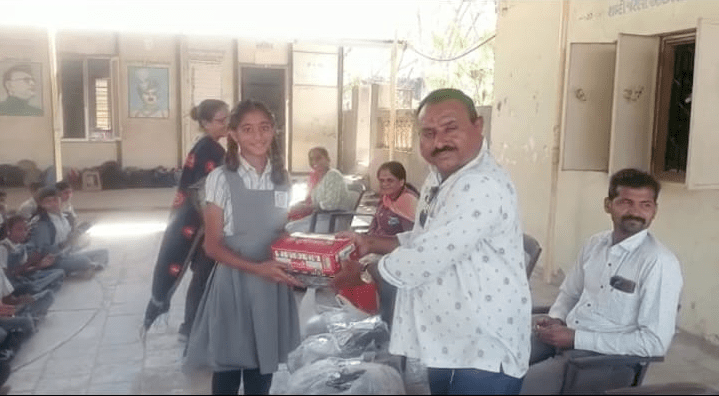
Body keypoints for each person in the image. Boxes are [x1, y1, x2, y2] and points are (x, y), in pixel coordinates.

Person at [331, 88, 531, 394]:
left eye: (450, 128)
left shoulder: (480, 184)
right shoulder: (440, 177)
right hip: (450, 341)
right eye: (428, 133)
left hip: (484, 348)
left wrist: (360, 272)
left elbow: (425, 257)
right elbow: (424, 238)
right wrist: (369, 243)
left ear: (478, 126)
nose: (439, 142)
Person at [520, 168, 684, 394]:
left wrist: (577, 339)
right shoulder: (595, 244)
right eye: (626, 202)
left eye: (645, 204)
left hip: (604, 361)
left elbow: (654, 343)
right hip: (565, 339)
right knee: (492, 365)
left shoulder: (659, 263)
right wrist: (556, 318)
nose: (635, 212)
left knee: (514, 387)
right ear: (608, 204)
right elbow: (570, 293)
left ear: (654, 210)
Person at [185, 99, 303, 395]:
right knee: (228, 368)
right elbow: (212, 246)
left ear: (274, 130)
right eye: (248, 129)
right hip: (236, 284)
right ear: (234, 135)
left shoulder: (281, 179)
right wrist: (257, 268)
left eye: (264, 128)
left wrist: (304, 254)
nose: (258, 136)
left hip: (271, 285)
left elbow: (277, 230)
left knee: (262, 369)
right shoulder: (221, 179)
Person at [143, 99, 229, 339]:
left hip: (196, 226)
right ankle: (193, 330)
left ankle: (192, 328)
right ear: (205, 123)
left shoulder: (205, 145)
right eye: (221, 121)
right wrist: (213, 232)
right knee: (204, 277)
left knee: (204, 278)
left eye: (227, 119)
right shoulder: (210, 150)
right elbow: (204, 195)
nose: (226, 124)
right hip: (201, 227)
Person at [28, 187, 108, 276]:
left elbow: (69, 237)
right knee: (83, 261)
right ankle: (86, 266)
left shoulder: (65, 217)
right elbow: (42, 251)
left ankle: (90, 266)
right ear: (42, 204)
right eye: (48, 201)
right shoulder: (42, 223)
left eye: (55, 200)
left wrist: (77, 234)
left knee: (103, 252)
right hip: (53, 260)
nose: (53, 204)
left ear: (60, 201)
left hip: (67, 253)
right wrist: (63, 245)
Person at [285, 147, 355, 234]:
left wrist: (308, 207)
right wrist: (301, 205)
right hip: (321, 218)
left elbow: (330, 205)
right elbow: (315, 200)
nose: (314, 162)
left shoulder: (333, 176)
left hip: (334, 220)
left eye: (318, 158)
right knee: (287, 226)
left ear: (327, 159)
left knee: (290, 230)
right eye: (311, 159)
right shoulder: (319, 177)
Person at [0, 215, 64, 295]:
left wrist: (40, 265)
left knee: (59, 273)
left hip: (23, 279)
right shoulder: (3, 248)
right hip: (10, 284)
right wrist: (30, 262)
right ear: (8, 230)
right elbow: (6, 276)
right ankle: (38, 291)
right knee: (29, 286)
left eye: (26, 230)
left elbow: (24, 272)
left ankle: (38, 291)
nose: (24, 233)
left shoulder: (21, 247)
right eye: (19, 229)